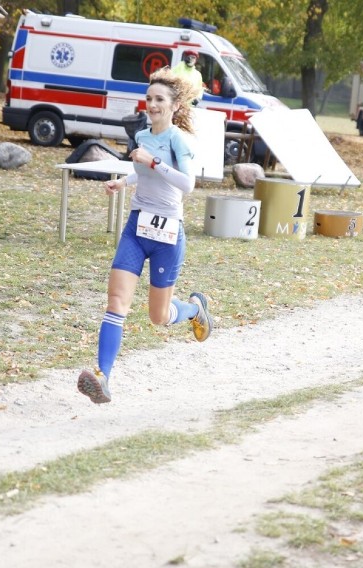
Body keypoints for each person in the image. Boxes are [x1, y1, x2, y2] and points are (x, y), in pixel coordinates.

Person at [77, 67, 213, 404]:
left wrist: (154, 163)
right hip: (137, 228)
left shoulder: (178, 140)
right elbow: (141, 172)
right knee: (116, 303)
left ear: (175, 106)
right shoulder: (142, 137)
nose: (152, 104)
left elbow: (188, 185)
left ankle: (195, 310)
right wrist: (123, 182)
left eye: (159, 100)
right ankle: (103, 378)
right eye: (149, 98)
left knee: (158, 317)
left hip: (168, 233)